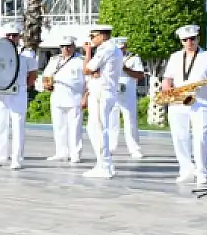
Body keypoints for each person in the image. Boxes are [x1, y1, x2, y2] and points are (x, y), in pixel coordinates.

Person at [163, 25, 207, 183]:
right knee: (180, 137)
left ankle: (202, 171)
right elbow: (167, 78)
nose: (189, 42)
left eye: (192, 39)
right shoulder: (175, 57)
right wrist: (167, 88)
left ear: (198, 39)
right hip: (178, 102)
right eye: (185, 40)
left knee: (201, 137)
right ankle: (186, 169)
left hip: (201, 101)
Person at [0, 24, 36, 170]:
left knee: (18, 126)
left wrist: (24, 87)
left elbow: (32, 74)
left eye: (15, 35)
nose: (12, 38)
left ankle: (17, 159)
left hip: (18, 92)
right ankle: (0, 156)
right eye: (9, 35)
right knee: (0, 125)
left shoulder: (27, 53)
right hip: (1, 92)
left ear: (19, 37)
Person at [81, 24, 122, 179]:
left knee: (98, 129)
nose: (91, 39)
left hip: (102, 92)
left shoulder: (106, 49)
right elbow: (93, 71)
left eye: (93, 36)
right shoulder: (112, 49)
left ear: (102, 36)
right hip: (102, 90)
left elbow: (86, 69)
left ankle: (104, 166)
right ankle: (104, 163)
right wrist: (94, 71)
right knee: (93, 128)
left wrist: (87, 52)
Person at [41, 36, 85, 163]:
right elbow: (46, 75)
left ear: (73, 46)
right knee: (59, 126)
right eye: (63, 46)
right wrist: (46, 84)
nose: (65, 49)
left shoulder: (81, 61)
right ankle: (61, 152)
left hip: (74, 98)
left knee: (75, 127)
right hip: (57, 96)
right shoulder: (55, 60)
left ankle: (75, 154)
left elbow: (87, 81)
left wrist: (85, 97)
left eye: (68, 46)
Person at [114, 40, 147, 160]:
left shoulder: (133, 58)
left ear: (125, 47)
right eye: (117, 48)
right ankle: (111, 146)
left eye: (121, 48)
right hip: (113, 92)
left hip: (127, 93)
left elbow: (140, 75)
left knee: (130, 121)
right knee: (112, 121)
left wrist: (126, 69)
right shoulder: (110, 57)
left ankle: (134, 149)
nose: (120, 51)